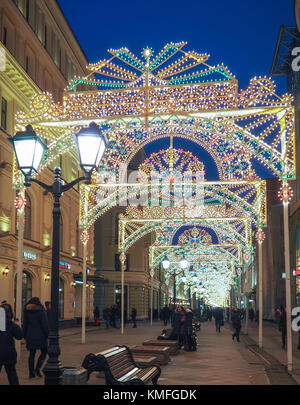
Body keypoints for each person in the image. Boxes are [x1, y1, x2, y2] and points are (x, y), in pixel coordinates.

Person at [22, 297, 49, 378]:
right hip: (41, 335)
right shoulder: (41, 311)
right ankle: (37, 368)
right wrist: (48, 335)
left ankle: (31, 373)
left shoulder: (27, 311)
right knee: (44, 351)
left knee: (32, 354)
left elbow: (25, 324)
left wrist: (24, 335)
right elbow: (45, 325)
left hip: (30, 334)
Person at [0, 303, 23, 385]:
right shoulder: (11, 324)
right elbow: (19, 336)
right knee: (12, 374)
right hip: (9, 352)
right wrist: (17, 325)